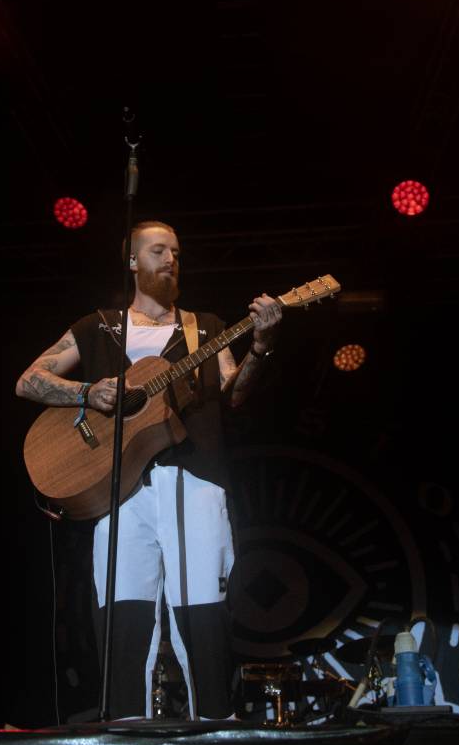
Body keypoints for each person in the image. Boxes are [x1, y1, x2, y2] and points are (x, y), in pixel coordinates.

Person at [14, 220, 282, 719]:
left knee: (200, 611)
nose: (171, 259)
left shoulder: (205, 326)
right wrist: (86, 391)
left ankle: (214, 731)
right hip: (118, 486)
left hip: (194, 480)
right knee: (122, 613)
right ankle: (123, 731)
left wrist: (261, 346)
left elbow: (235, 392)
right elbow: (28, 380)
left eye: (177, 251)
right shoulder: (98, 326)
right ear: (133, 262)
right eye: (158, 250)